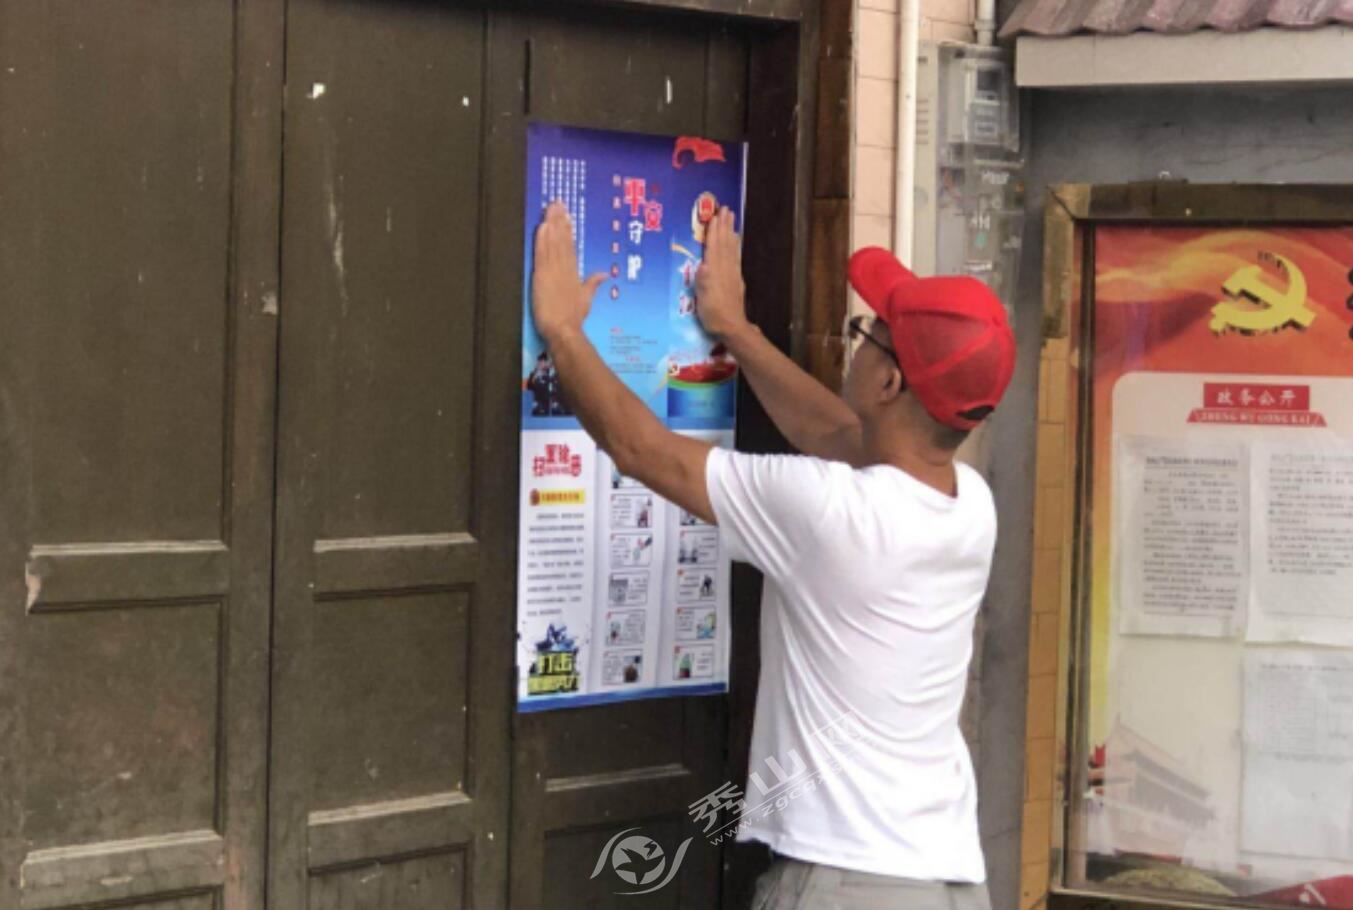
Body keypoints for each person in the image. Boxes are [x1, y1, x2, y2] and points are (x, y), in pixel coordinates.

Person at [531, 201, 1015, 909]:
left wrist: (562, 331)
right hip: (949, 881)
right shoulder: (969, 506)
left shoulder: (833, 513)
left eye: (867, 335)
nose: (856, 346)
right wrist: (735, 330)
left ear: (888, 384)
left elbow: (641, 450)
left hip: (850, 884)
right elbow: (840, 434)